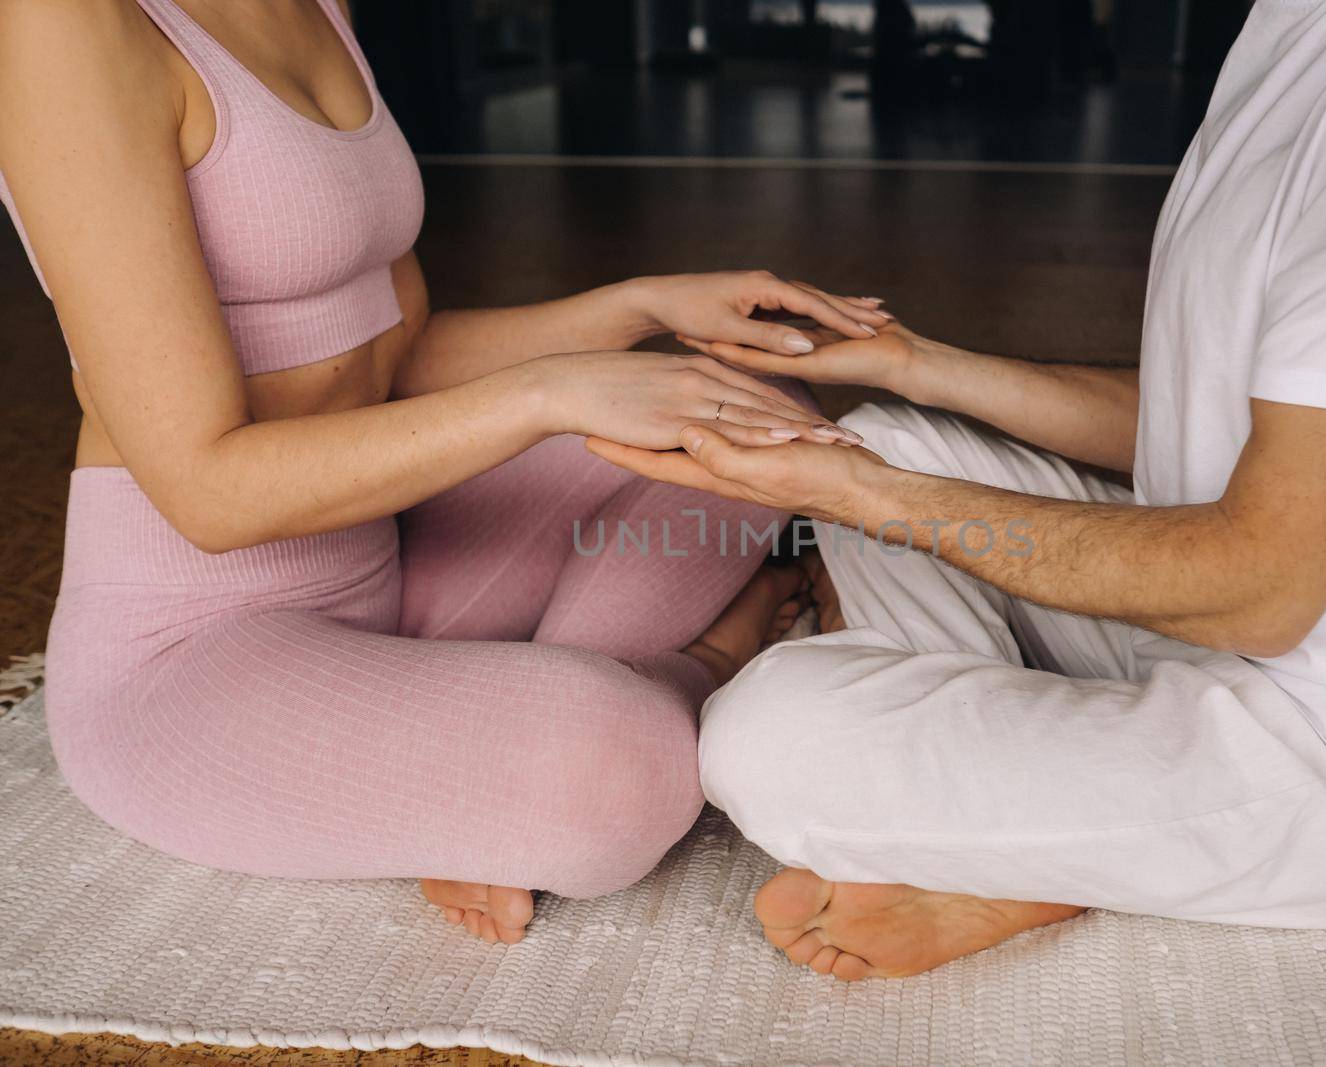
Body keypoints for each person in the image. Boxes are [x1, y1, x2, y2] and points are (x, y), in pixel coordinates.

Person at [593, 0, 1326, 979]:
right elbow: (1215, 418)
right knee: (888, 435)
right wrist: (909, 364)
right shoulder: (1302, 27)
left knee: (768, 738)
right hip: (1204, 629)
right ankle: (1052, 817)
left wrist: (865, 496)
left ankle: (1035, 834)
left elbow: (1263, 584)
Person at [0, 0, 893, 945]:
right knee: (612, 767)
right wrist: (550, 394)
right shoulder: (66, 23)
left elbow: (395, 351)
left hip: (385, 565)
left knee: (756, 424)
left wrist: (638, 309)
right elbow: (209, 493)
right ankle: (707, 658)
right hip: (188, 652)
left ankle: (470, 753)